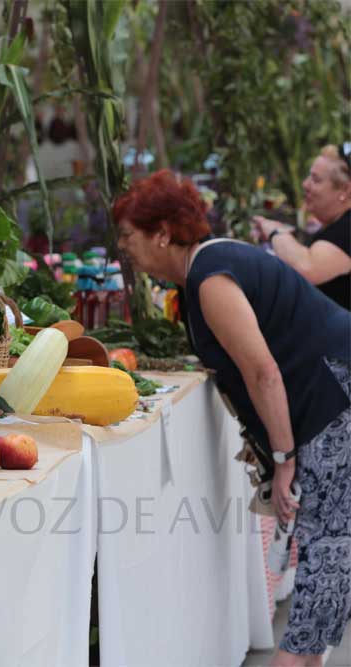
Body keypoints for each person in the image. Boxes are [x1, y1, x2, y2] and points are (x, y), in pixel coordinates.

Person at [113, 169, 351, 667]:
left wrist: (284, 459)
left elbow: (263, 372)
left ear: (161, 233)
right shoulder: (209, 266)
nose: (124, 248)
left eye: (129, 236)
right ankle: (307, 656)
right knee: (330, 549)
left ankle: (297, 657)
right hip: (331, 395)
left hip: (335, 396)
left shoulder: (210, 277)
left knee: (327, 546)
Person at [253, 143, 351, 309]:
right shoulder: (338, 225)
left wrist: (275, 231)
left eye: (316, 179)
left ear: (345, 191)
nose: (305, 184)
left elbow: (307, 266)